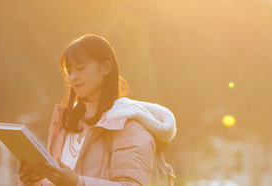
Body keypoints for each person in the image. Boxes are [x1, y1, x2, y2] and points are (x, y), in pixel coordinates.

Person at [18, 34, 176, 186]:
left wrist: (76, 183)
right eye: (69, 71)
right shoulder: (67, 123)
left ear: (106, 68)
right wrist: (32, 183)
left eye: (80, 68)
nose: (73, 77)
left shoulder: (129, 126)